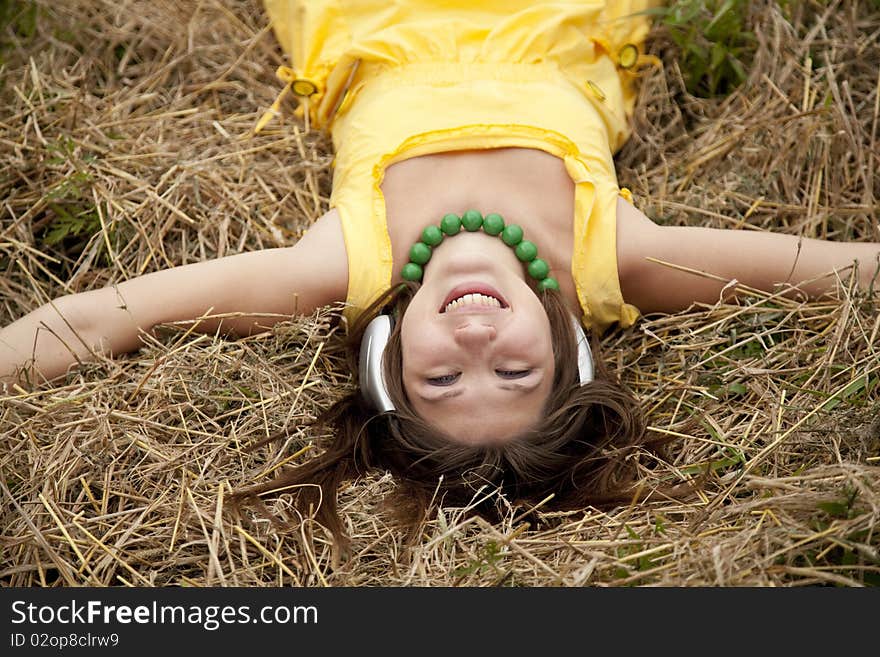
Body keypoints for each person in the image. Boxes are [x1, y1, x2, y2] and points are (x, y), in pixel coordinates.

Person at [1, 1, 878, 544]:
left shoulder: (347, 264)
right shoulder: (614, 259)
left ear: (386, 349)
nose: (474, 337)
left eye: (441, 374)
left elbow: (107, 316)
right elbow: (838, 271)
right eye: (513, 368)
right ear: (567, 348)